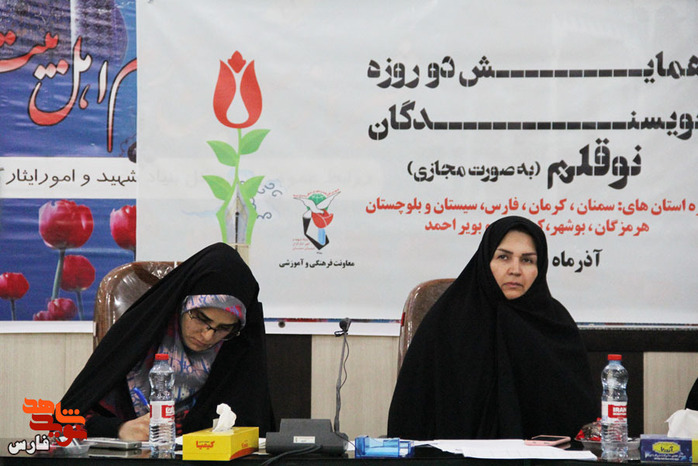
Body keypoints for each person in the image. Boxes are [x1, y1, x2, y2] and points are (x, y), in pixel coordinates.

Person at [387, 216, 597, 440]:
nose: (515, 270)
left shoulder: (556, 326)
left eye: (527, 260)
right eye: (503, 257)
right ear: (485, 261)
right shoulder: (447, 321)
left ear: (540, 267)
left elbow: (581, 423)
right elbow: (412, 414)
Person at [60, 242, 275, 440]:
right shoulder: (138, 342)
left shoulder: (235, 353)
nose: (208, 336)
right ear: (182, 304)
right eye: (201, 319)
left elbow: (255, 431)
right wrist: (119, 429)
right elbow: (64, 421)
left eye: (224, 328)